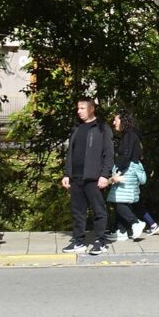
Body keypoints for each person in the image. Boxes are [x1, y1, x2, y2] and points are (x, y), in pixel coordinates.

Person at [60, 98, 114, 255]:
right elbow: (70, 152)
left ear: (91, 109)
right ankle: (79, 241)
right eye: (78, 108)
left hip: (94, 177)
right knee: (77, 211)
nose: (79, 111)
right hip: (76, 177)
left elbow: (108, 153)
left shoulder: (102, 128)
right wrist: (67, 174)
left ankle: (100, 241)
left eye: (82, 108)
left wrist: (105, 175)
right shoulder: (77, 129)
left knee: (99, 211)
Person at [106, 110, 149, 241]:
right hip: (130, 171)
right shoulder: (131, 134)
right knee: (122, 200)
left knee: (118, 201)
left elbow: (126, 155)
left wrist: (118, 171)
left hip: (127, 172)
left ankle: (135, 223)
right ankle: (121, 231)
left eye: (116, 120)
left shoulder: (129, 136)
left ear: (123, 121)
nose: (113, 123)